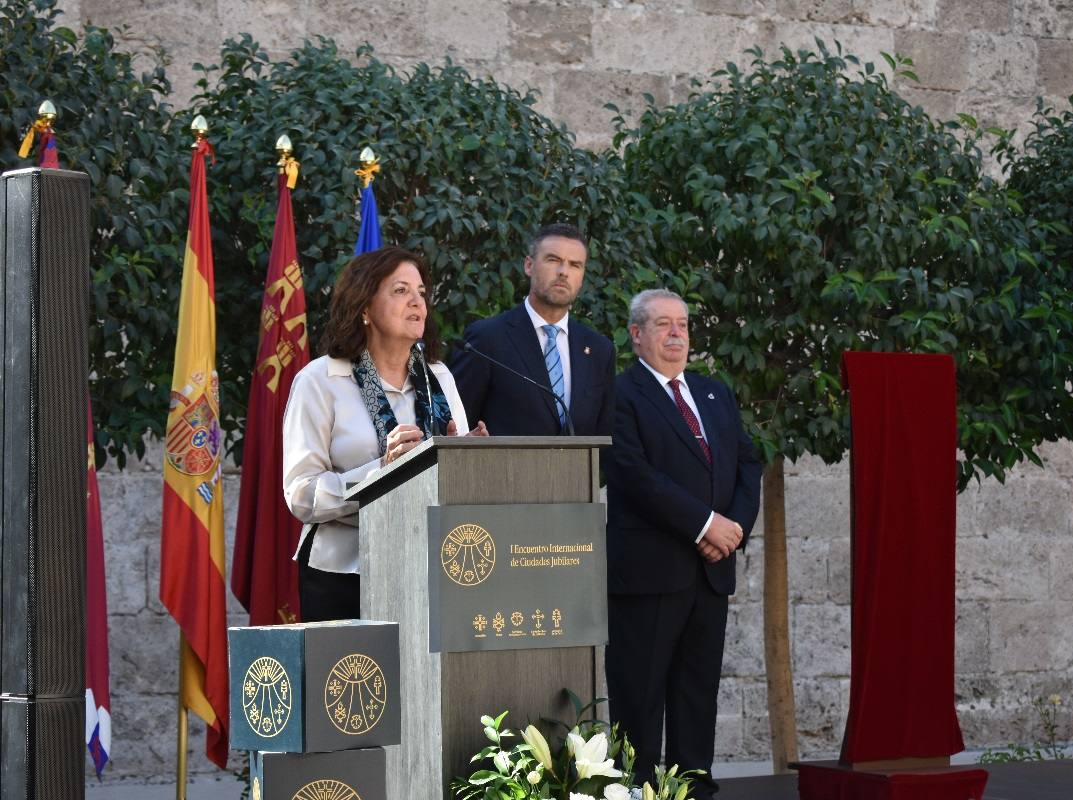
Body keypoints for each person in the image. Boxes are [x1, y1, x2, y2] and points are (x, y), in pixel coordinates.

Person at [603, 288, 761, 799]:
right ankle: (640, 791)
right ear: (636, 335)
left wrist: (730, 529)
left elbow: (748, 462)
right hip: (649, 574)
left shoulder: (715, 394)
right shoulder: (620, 394)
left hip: (709, 574)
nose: (676, 335)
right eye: (664, 325)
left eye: (683, 325)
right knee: (641, 697)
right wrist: (704, 525)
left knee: (697, 696)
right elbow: (631, 472)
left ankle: (695, 789)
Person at [282, 246, 486, 621]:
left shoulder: (438, 377)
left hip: (431, 568)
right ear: (364, 309)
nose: (417, 303)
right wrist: (380, 472)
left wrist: (469, 458)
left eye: (421, 293)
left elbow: (448, 476)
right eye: (400, 291)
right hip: (344, 576)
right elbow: (301, 496)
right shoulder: (320, 381)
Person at [450, 223, 615, 435]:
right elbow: (457, 428)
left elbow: (604, 436)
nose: (563, 272)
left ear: (582, 276)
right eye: (553, 260)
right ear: (529, 266)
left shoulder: (599, 350)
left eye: (575, 265)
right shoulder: (486, 340)